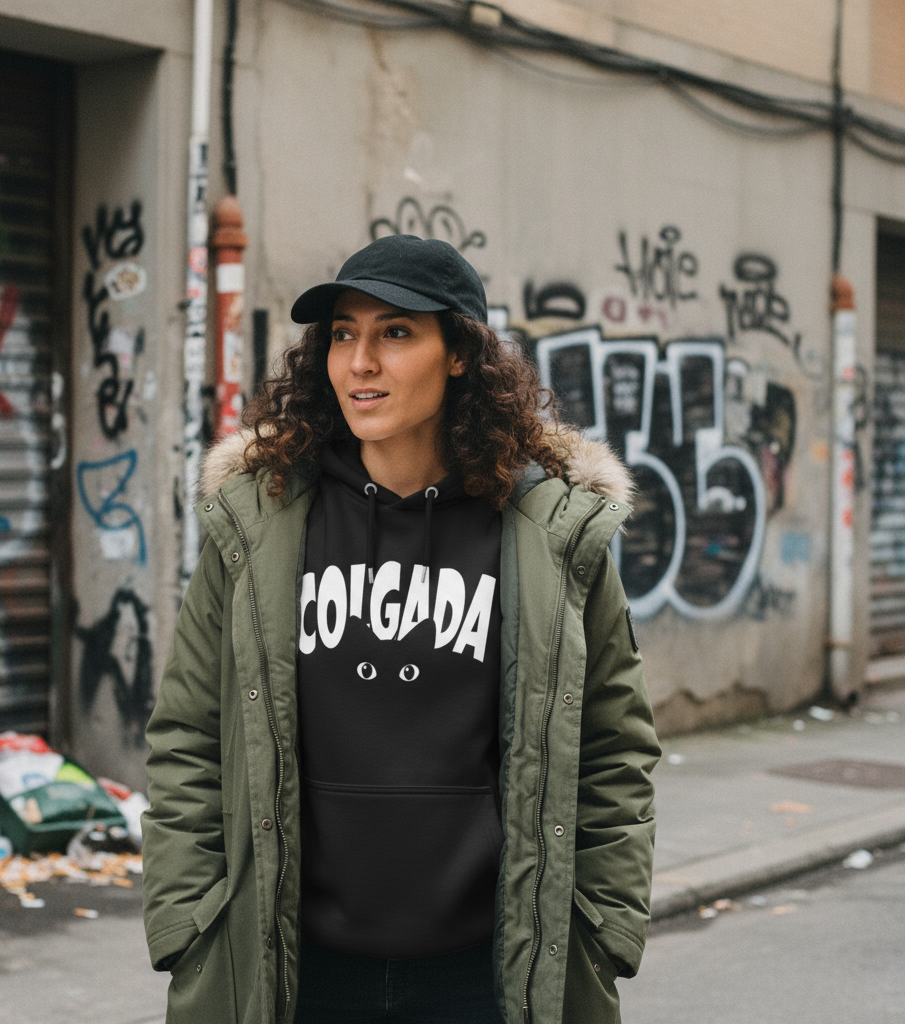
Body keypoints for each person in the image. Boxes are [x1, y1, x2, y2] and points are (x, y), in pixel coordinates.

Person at [142, 233, 660, 1024]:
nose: (360, 362)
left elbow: (614, 745)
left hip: (485, 974)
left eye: (395, 332)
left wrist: (604, 925)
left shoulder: (549, 536)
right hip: (293, 969)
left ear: (459, 355)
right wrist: (188, 920)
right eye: (343, 334)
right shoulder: (262, 521)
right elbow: (188, 734)